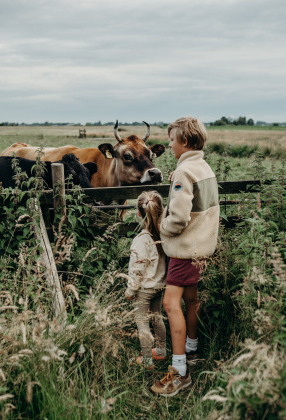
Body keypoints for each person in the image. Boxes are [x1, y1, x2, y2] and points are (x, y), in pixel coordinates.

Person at [151, 117, 219, 396]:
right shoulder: (202, 167)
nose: (169, 144)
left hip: (182, 250)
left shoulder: (183, 173)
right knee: (192, 299)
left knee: (170, 304)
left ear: (185, 143)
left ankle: (179, 372)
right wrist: (178, 175)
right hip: (200, 249)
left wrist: (163, 227)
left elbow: (178, 217)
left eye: (172, 140)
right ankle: (192, 349)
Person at [125, 190, 167, 369]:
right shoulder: (163, 237)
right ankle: (161, 350)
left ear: (139, 213)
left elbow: (138, 269)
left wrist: (130, 290)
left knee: (142, 322)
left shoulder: (141, 240)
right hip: (159, 286)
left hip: (143, 290)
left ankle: (148, 360)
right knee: (157, 318)